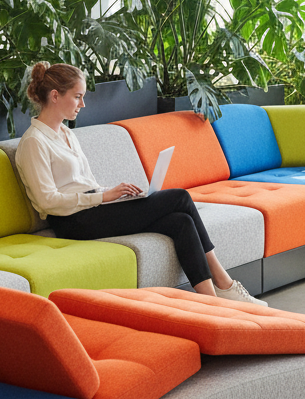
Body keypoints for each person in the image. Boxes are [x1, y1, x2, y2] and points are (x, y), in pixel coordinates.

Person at [14, 62, 266, 305]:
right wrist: (103, 198)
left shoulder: (67, 134)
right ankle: (225, 284)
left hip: (93, 208)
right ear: (56, 96)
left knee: (181, 222)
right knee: (180, 198)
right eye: (78, 96)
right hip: (72, 221)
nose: (83, 104)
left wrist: (114, 192)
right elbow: (48, 201)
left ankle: (211, 303)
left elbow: (84, 183)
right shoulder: (34, 142)